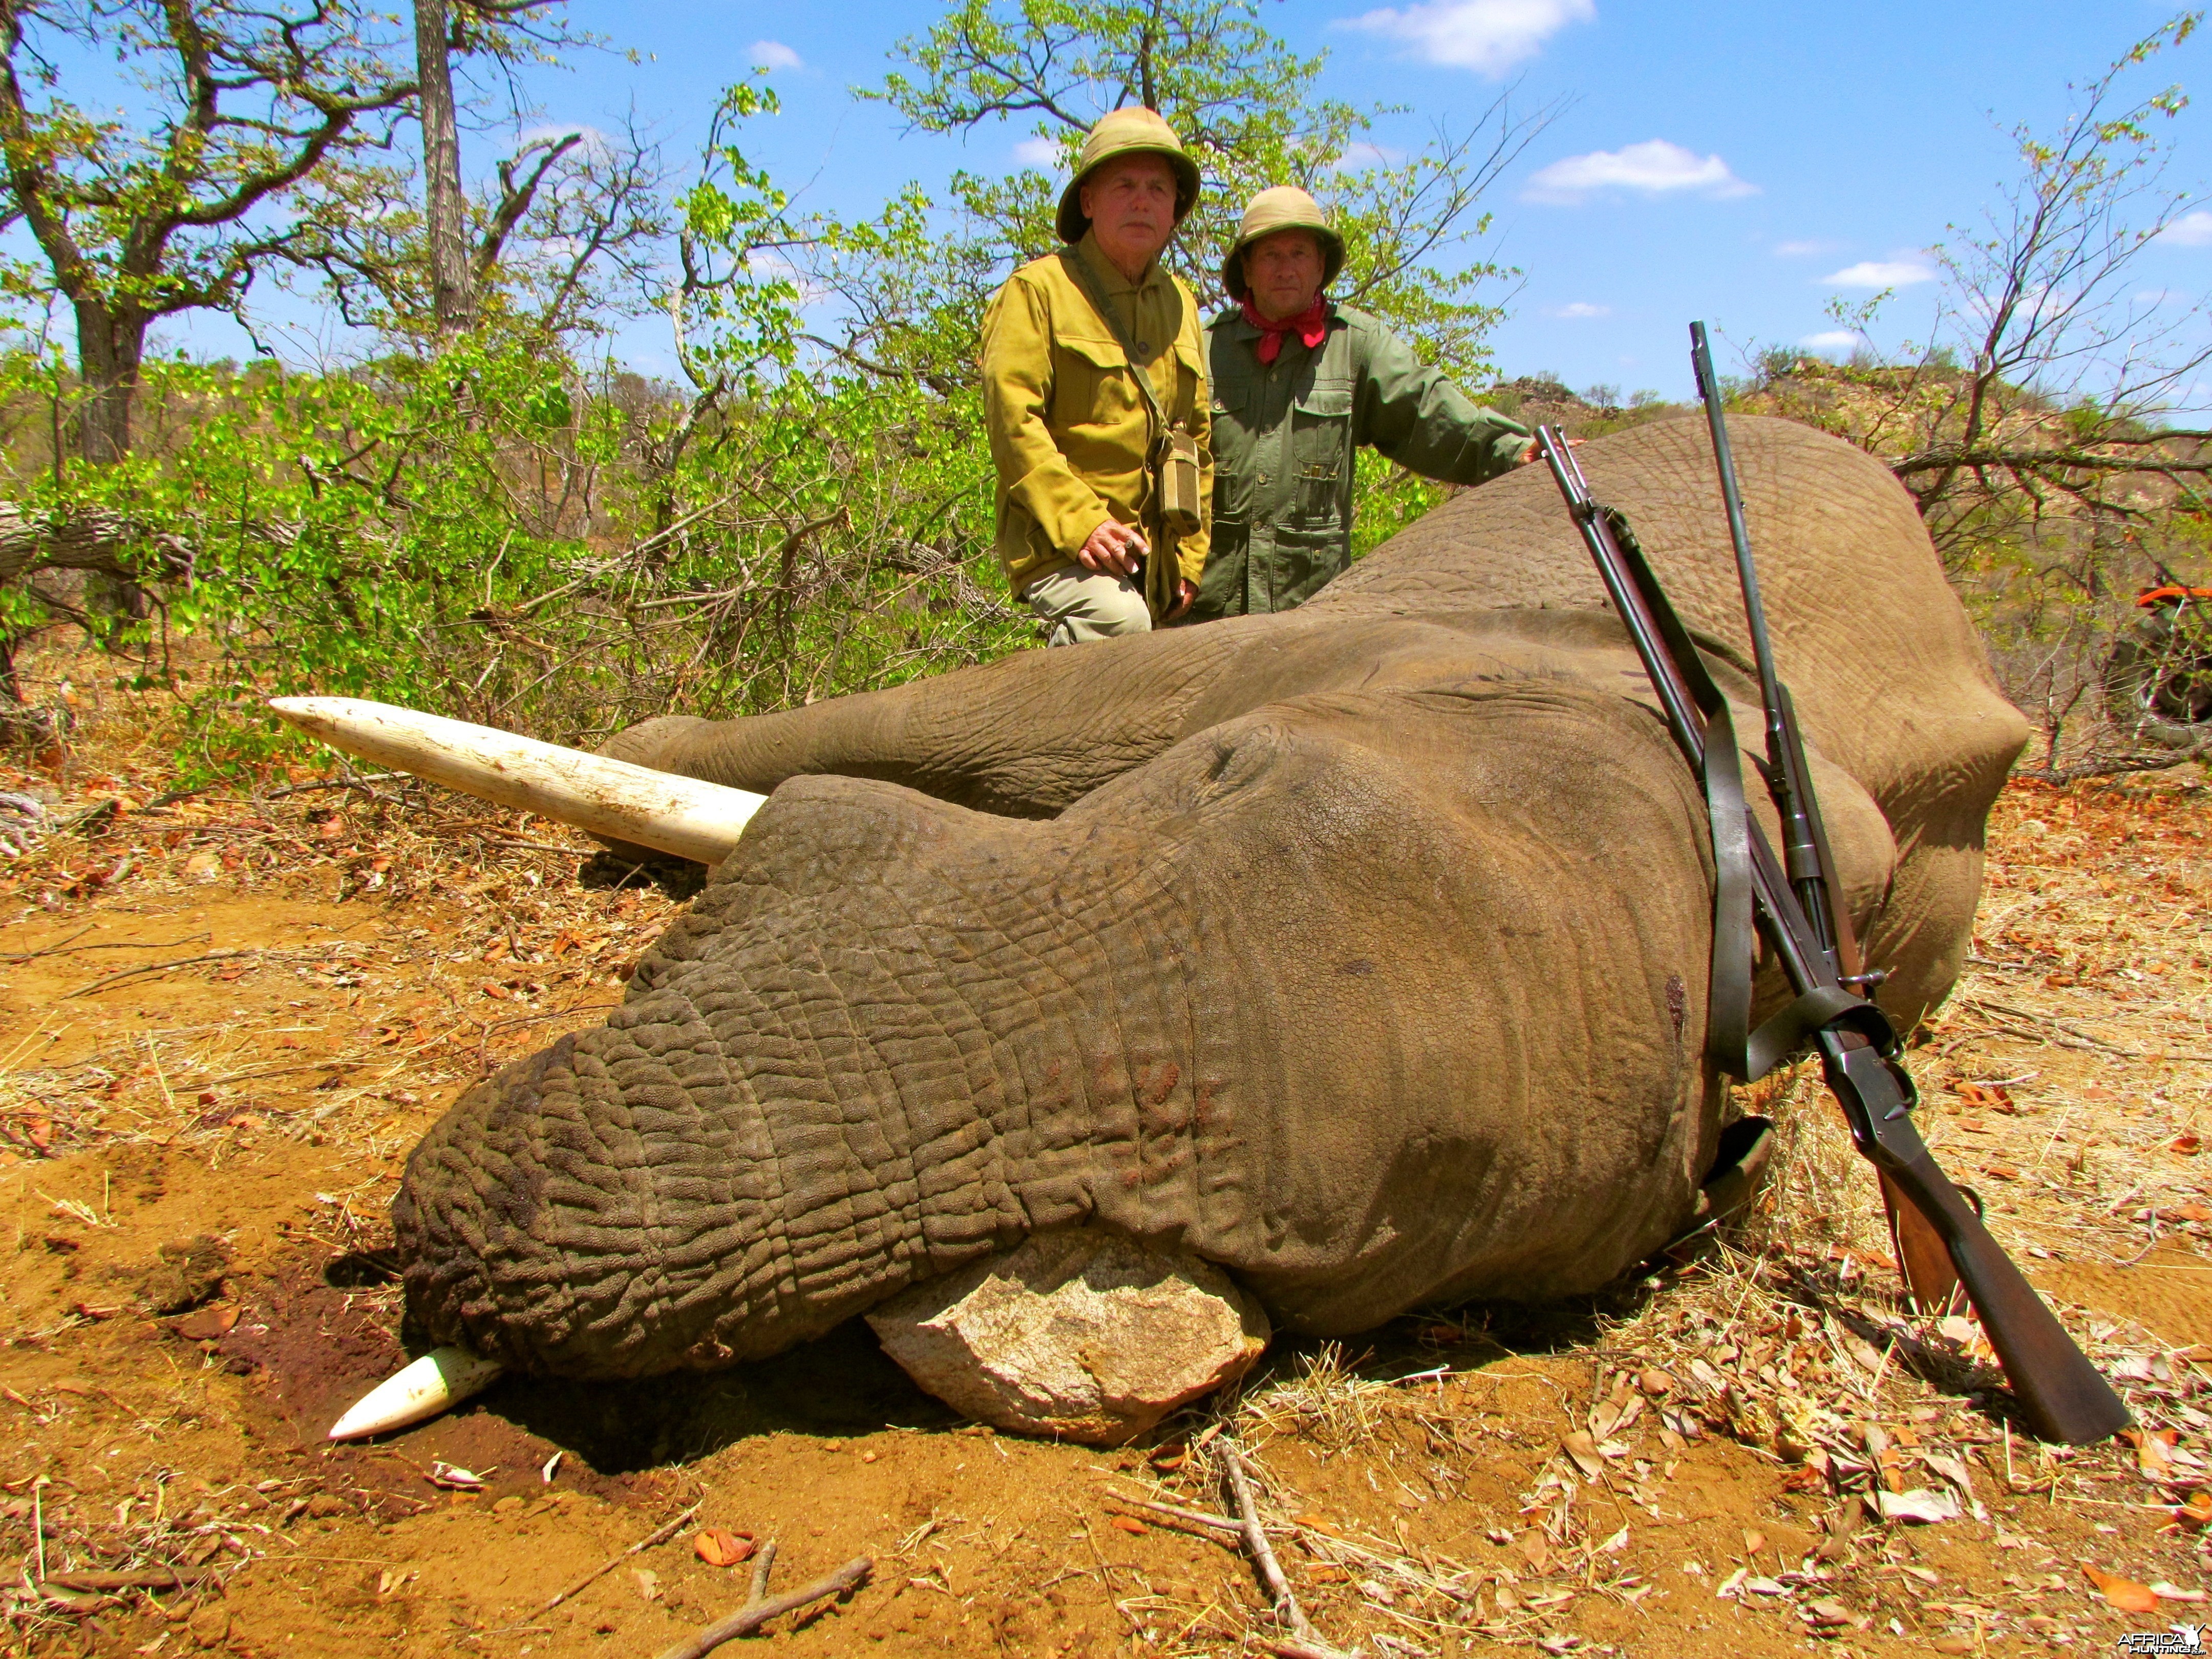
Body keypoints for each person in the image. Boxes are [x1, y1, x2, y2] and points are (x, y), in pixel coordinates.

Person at [1191, 186, 1534, 622]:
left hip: (1312, 612)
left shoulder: (1357, 345)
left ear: (1320, 267)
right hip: (1202, 614)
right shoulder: (1201, 348)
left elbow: (1425, 410)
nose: (1285, 269)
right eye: (1270, 255)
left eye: (1299, 253)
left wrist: (1512, 451)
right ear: (1247, 268)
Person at [980, 108, 1213, 645]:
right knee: (1118, 623)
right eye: (1124, 185)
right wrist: (1082, 523)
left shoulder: (1181, 303)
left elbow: (1197, 440)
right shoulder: (1038, 290)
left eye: (1158, 188)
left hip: (1155, 561)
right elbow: (1015, 424)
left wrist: (1193, 563)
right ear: (1088, 201)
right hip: (1061, 549)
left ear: (1174, 208)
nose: (1142, 200)